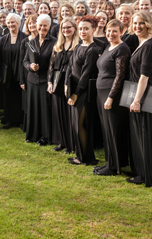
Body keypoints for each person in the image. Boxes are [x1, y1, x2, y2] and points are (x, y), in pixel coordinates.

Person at [93, 19, 131, 177]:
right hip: (101, 92)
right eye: (108, 31)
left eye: (115, 31)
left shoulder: (122, 48)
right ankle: (111, 161)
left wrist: (110, 97)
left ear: (122, 31)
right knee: (107, 129)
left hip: (111, 94)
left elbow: (120, 76)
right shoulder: (109, 46)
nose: (111, 34)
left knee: (114, 130)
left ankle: (114, 166)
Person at [126, 11, 152, 187]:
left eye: (141, 23)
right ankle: (140, 171)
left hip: (143, 93)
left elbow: (144, 76)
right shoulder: (141, 42)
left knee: (144, 134)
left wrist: (137, 100)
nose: (138, 27)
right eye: (135, 23)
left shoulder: (149, 46)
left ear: (148, 24)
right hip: (136, 91)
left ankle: (146, 175)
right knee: (138, 133)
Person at [66, 15, 100, 166]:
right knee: (77, 125)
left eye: (86, 28)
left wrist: (75, 94)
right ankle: (80, 154)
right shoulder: (79, 46)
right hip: (74, 89)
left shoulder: (93, 49)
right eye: (80, 29)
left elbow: (85, 75)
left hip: (84, 92)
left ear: (93, 30)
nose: (83, 31)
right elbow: (70, 66)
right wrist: (66, 84)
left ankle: (85, 158)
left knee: (82, 125)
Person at [22, 14, 55, 145]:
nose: (42, 28)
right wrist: (30, 66)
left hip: (45, 81)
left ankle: (45, 137)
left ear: (49, 27)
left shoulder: (54, 42)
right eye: (40, 25)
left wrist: (49, 80)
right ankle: (33, 134)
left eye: (45, 25)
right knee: (33, 108)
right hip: (32, 81)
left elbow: (54, 64)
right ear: (36, 25)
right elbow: (24, 61)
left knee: (44, 110)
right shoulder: (31, 42)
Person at [48, 17, 79, 153]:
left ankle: (71, 143)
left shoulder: (78, 45)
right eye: (63, 28)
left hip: (71, 81)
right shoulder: (57, 45)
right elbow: (51, 65)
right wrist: (49, 82)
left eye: (69, 27)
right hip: (57, 81)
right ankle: (61, 141)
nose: (66, 30)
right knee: (58, 112)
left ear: (74, 28)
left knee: (69, 113)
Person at [0, 13, 25, 129]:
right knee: (8, 98)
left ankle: (21, 120)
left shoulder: (25, 38)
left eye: (13, 22)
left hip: (20, 74)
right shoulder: (3, 40)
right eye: (8, 22)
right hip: (7, 74)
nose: (10, 24)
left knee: (20, 97)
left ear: (18, 23)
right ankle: (10, 120)